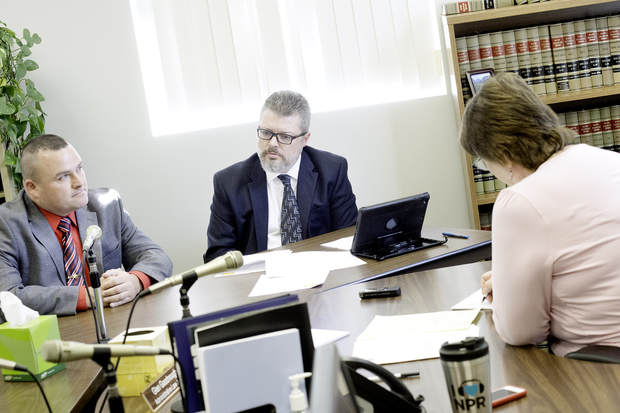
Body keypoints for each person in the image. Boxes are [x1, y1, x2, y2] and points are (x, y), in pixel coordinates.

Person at [460, 72, 620, 356]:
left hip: (597, 369)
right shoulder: (610, 161)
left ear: (503, 154)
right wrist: (512, 282)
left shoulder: (520, 201)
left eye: (485, 162)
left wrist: (507, 295)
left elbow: (521, 332)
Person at [0, 134, 172, 318]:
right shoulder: (7, 223)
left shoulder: (106, 205)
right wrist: (90, 296)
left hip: (114, 325)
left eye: (79, 168)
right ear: (32, 188)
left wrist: (135, 280)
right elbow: (7, 297)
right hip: (51, 339)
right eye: (63, 177)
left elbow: (157, 257)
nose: (79, 182)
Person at [204, 90, 358, 262]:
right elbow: (217, 255)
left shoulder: (331, 170)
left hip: (321, 272)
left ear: (304, 139)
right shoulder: (229, 183)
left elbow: (349, 237)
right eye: (266, 133)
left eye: (285, 137)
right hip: (260, 277)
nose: (272, 144)